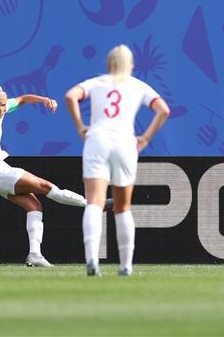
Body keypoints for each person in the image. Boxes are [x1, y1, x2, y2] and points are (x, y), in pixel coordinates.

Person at [0, 82, 88, 267]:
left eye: (6, 105)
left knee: (34, 205)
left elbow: (22, 99)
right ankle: (92, 204)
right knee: (45, 187)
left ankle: (34, 255)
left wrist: (44, 100)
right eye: (2, 105)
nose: (5, 108)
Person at [65, 44, 170, 277]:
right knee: (122, 207)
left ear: (109, 64)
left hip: (97, 140)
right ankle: (125, 265)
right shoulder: (138, 85)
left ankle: (91, 259)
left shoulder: (96, 82)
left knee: (94, 201)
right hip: (125, 143)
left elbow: (71, 95)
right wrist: (145, 138)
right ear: (131, 65)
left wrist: (81, 126)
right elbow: (163, 109)